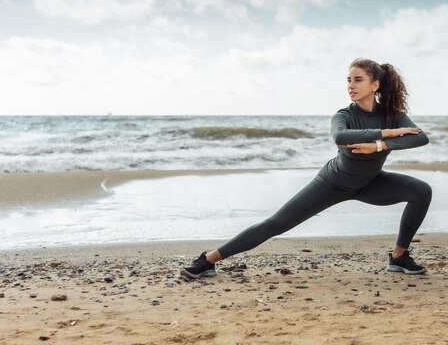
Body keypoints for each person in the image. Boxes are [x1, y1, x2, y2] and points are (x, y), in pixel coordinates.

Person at [181, 58, 432, 279]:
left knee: (421, 191)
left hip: (370, 183)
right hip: (332, 184)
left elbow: (420, 138)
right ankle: (208, 261)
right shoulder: (343, 115)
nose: (351, 86)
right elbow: (340, 137)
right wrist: (387, 133)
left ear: (375, 85)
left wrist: (378, 145)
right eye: (348, 80)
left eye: (358, 80)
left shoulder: (392, 114)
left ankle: (398, 257)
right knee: (275, 224)